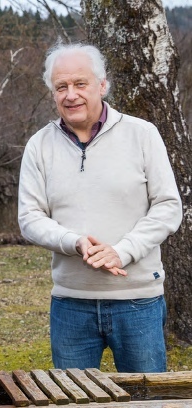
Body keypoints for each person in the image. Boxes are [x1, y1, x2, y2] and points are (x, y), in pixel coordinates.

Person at [17, 43, 182, 373]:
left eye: (80, 84)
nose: (71, 95)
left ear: (102, 85)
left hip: (138, 301)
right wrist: (74, 242)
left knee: (147, 401)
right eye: (61, 87)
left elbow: (168, 206)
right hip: (70, 304)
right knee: (74, 400)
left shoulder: (142, 134)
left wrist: (123, 251)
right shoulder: (39, 145)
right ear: (52, 92)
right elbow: (29, 218)